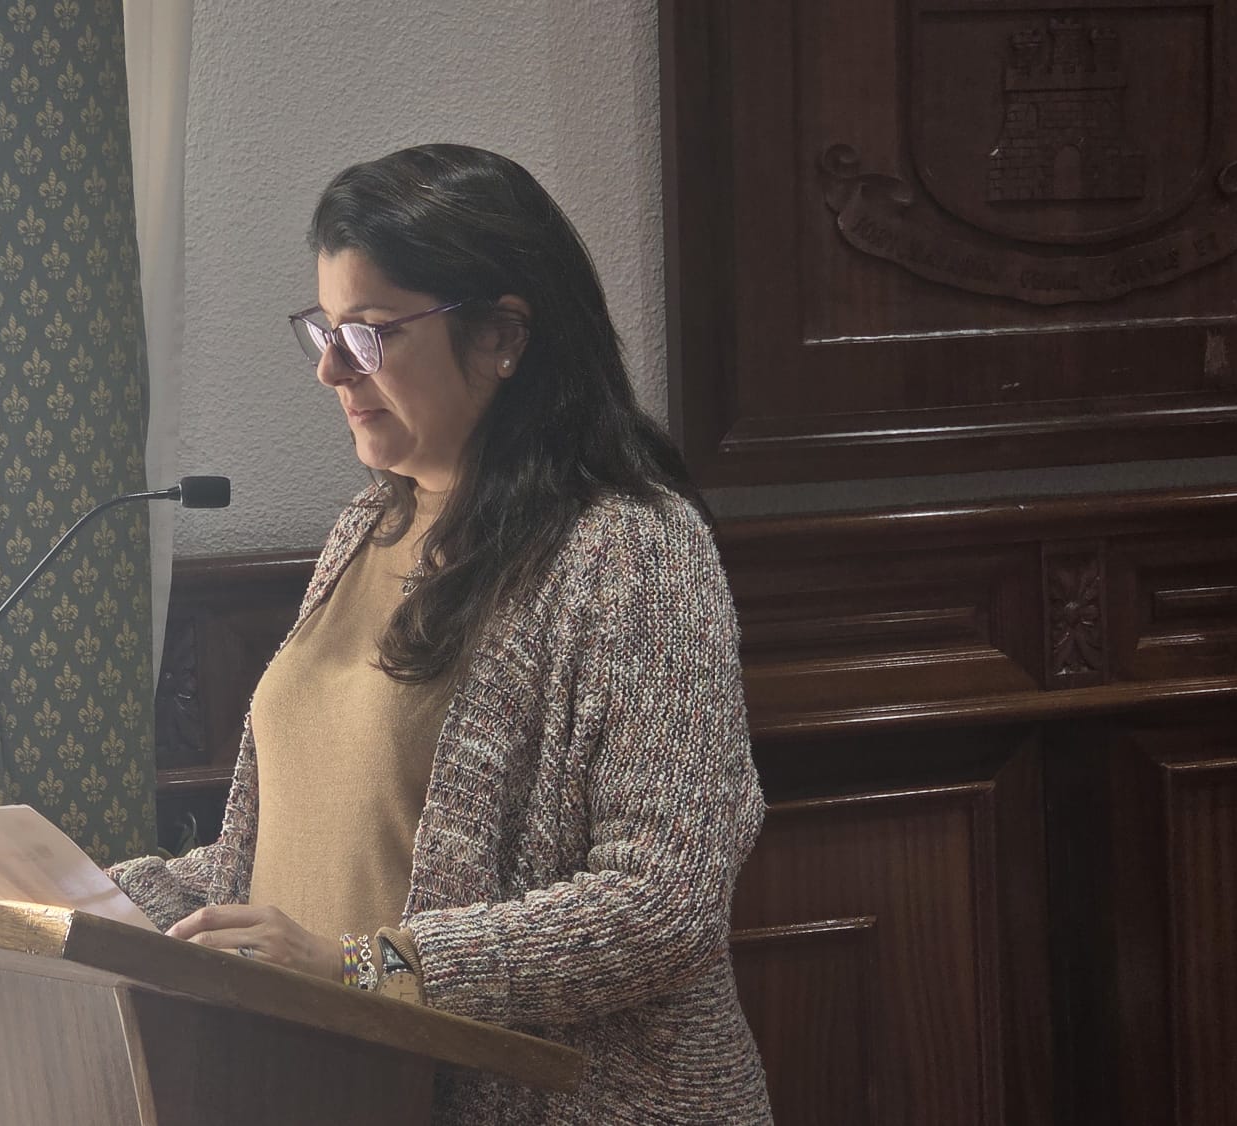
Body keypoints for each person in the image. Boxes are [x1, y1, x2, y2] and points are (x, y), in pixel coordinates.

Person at [110, 143, 772, 1123]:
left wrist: (364, 968)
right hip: (330, 1088)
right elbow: (303, 854)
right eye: (324, 330)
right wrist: (111, 903)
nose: (332, 369)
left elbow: (662, 903)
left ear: (502, 334)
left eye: (369, 333)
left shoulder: (630, 549)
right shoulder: (366, 528)